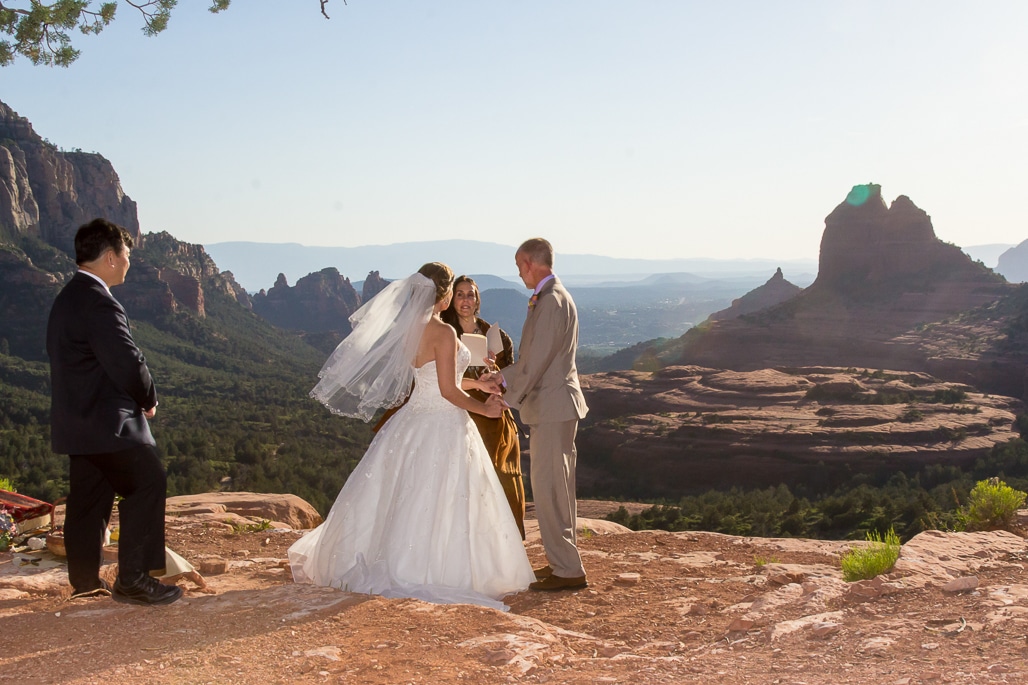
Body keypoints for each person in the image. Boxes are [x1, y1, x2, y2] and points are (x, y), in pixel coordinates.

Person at [288, 263, 534, 610]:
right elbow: (447, 392)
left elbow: (435, 379)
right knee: (443, 497)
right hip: (444, 423)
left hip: (411, 421)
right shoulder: (444, 332)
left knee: (402, 495)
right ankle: (439, 569)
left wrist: (477, 383)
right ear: (446, 294)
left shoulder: (409, 330)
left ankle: (395, 559)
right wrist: (486, 409)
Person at [46, 218, 182, 606]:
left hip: (77, 422)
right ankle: (134, 579)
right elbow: (127, 360)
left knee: (89, 498)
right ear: (109, 257)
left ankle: (86, 581)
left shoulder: (68, 297)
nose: (128, 262)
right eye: (126, 255)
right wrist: (148, 398)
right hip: (108, 423)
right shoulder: (99, 302)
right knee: (148, 482)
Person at [498, 238, 589, 591]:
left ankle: (567, 570)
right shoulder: (553, 297)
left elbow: (535, 363)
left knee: (550, 488)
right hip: (557, 405)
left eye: (519, 264)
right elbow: (537, 359)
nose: (518, 271)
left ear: (529, 262)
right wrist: (502, 376)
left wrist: (507, 394)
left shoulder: (551, 301)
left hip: (552, 407)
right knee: (558, 488)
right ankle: (563, 563)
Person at [441, 275, 526, 539]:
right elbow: (439, 381)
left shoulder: (496, 336)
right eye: (460, 294)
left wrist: (494, 369)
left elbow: (511, 380)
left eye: (471, 294)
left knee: (502, 473)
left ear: (478, 300)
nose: (466, 300)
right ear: (451, 299)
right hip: (460, 412)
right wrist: (477, 383)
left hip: (494, 414)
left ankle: (505, 539)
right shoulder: (444, 332)